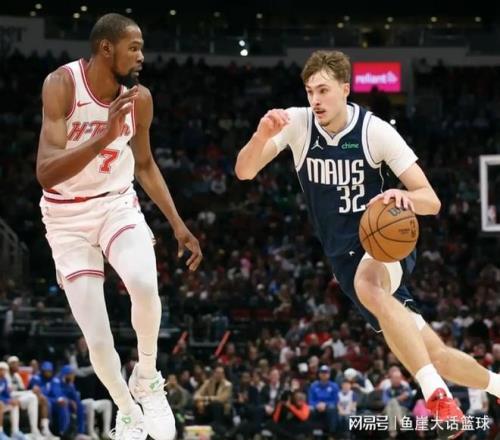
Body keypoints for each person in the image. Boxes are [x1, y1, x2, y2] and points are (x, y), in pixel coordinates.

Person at [235, 49, 500, 439]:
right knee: (436, 354)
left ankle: (438, 398)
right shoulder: (298, 124)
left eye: (323, 90)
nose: (315, 100)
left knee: (368, 283)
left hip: (385, 243)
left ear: (345, 89)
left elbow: (431, 200)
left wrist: (403, 196)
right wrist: (261, 135)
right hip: (343, 261)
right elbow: (244, 171)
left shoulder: (375, 131)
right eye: (310, 91)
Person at [35, 13, 202, 440]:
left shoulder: (139, 98)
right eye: (134, 47)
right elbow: (46, 173)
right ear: (106, 48)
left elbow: (144, 164)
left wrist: (177, 224)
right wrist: (104, 135)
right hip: (66, 218)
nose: (142, 56)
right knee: (97, 337)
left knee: (144, 284)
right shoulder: (62, 84)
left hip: (115, 204)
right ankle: (127, 411)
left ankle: (147, 378)